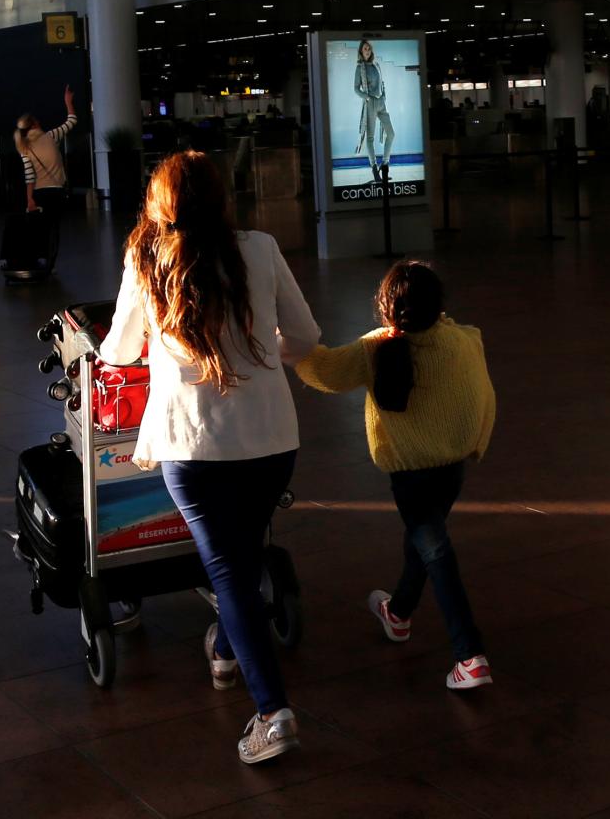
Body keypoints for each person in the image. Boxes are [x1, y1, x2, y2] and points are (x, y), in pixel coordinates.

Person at [100, 150, 319, 765]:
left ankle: (273, 714)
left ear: (160, 203)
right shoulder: (260, 246)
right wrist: (259, 349)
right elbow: (304, 337)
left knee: (230, 572)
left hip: (193, 446)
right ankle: (225, 652)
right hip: (272, 439)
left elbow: (118, 350)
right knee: (241, 563)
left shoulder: (147, 257)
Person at [296, 261, 497, 691]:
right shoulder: (464, 339)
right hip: (454, 464)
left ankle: (469, 654)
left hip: (411, 470)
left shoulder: (375, 347)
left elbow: (326, 372)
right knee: (425, 539)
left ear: (387, 308)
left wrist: (290, 346)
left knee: (435, 549)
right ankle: (399, 613)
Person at [15, 86, 78, 256]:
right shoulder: (51, 136)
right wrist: (68, 102)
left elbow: (29, 177)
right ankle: (51, 260)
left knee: (39, 228)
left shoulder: (24, 146)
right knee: (53, 228)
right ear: (34, 124)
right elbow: (71, 121)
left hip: (38, 193)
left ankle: (39, 258)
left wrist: (29, 199)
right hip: (56, 191)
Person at [354, 40, 395, 183]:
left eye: (369, 48)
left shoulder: (376, 65)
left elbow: (381, 83)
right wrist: (366, 97)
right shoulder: (360, 68)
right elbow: (355, 88)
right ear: (361, 51)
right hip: (370, 102)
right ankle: (374, 168)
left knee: (391, 134)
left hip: (381, 102)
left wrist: (383, 95)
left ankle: (385, 165)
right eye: (365, 48)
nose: (368, 50)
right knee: (369, 138)